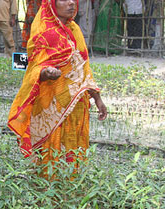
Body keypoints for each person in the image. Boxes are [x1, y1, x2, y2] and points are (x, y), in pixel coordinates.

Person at [7, 0, 107, 170]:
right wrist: (46, 73)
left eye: (73, 0)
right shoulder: (44, 31)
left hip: (76, 104)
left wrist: (97, 98)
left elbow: (83, 66)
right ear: (51, 3)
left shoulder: (75, 30)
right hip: (51, 107)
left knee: (73, 148)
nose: (71, 4)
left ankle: (72, 187)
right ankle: (47, 189)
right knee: (50, 150)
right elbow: (35, 67)